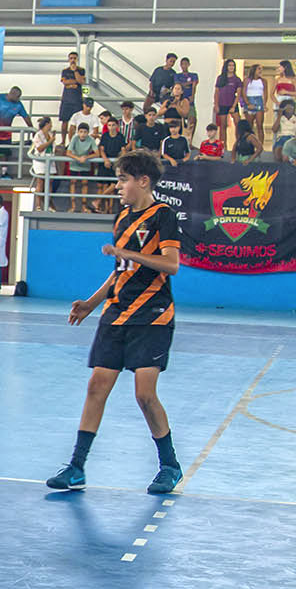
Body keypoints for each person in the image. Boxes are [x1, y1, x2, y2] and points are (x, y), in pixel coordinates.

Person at [45, 149, 183, 496]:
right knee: (97, 386)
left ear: (143, 181)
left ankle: (170, 466)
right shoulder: (121, 219)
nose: (118, 186)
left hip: (152, 316)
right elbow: (120, 270)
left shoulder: (163, 216)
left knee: (144, 395)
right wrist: (92, 303)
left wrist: (129, 254)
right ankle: (76, 467)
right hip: (117, 314)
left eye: (123, 179)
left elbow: (170, 264)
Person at [0, 86, 32, 179]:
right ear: (12, 94)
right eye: (17, 97)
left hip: (6, 133)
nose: (18, 99)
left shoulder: (18, 105)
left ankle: (4, 173)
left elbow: (25, 116)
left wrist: (31, 128)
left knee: (5, 153)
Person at [66, 122, 99, 213]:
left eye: (85, 132)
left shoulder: (91, 139)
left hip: (85, 165)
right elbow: (68, 152)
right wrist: (77, 158)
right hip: (74, 164)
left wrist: (86, 157)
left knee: (85, 184)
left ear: (88, 133)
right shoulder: (74, 138)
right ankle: (73, 206)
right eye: (81, 132)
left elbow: (97, 153)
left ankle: (84, 207)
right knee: (73, 183)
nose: (83, 134)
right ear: (78, 132)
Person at [97, 116, 127, 212]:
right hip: (105, 163)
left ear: (117, 126)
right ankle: (104, 208)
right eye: (109, 125)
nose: (111, 127)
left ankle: (104, 205)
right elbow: (101, 150)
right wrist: (105, 160)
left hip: (115, 164)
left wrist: (120, 162)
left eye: (113, 125)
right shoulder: (105, 136)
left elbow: (123, 150)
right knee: (104, 185)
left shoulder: (120, 136)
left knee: (113, 186)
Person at [58, 51, 87, 148]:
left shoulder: (81, 70)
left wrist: (75, 71)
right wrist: (74, 83)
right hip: (66, 100)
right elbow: (65, 82)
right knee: (64, 121)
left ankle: (76, 142)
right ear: (68, 59)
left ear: (77, 59)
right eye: (71, 58)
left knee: (77, 122)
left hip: (77, 100)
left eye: (74, 58)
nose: (73, 60)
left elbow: (81, 81)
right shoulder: (65, 71)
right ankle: (62, 141)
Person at [213, 59, 242, 150]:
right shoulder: (220, 78)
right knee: (223, 125)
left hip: (232, 103)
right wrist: (216, 105)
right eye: (229, 65)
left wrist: (234, 106)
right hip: (222, 104)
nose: (231, 67)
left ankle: (239, 144)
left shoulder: (237, 79)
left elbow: (238, 94)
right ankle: (223, 146)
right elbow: (217, 92)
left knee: (238, 123)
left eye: (233, 65)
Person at [29, 116, 56, 206]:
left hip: (50, 159)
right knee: (40, 181)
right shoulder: (38, 135)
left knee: (50, 181)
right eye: (50, 123)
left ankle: (48, 203)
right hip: (40, 160)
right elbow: (40, 148)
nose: (51, 125)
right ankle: (38, 205)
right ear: (47, 124)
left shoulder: (50, 134)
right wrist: (50, 142)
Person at [242, 64, 269, 149]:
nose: (260, 71)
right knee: (249, 126)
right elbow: (244, 92)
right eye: (259, 69)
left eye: (261, 69)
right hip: (250, 100)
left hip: (259, 101)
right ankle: (250, 144)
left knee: (259, 125)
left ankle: (260, 146)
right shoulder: (247, 80)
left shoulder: (264, 81)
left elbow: (265, 93)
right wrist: (247, 103)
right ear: (254, 70)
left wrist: (264, 104)